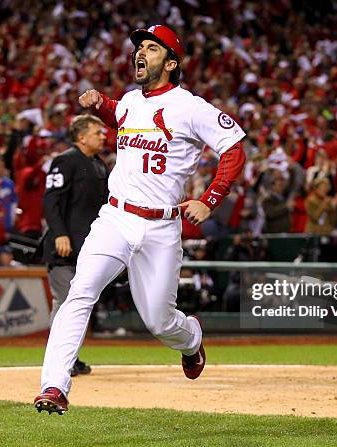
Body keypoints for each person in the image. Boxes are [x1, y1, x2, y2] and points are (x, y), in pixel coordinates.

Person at [35, 25, 246, 414]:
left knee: (160, 321)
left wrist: (211, 199)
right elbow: (123, 115)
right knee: (80, 293)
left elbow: (234, 148)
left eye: (151, 47)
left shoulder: (190, 106)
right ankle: (54, 386)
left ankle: (192, 338)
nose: (140, 53)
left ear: (170, 62)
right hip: (115, 218)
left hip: (162, 227)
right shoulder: (132, 100)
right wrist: (100, 106)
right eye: (139, 47)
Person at [40, 114, 110, 377]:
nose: (103, 136)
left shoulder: (99, 165)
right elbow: (51, 201)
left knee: (80, 303)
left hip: (87, 247)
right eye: (97, 132)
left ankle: (71, 357)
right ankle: (60, 360)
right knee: (65, 302)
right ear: (81, 136)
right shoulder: (65, 161)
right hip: (64, 247)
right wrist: (59, 233)